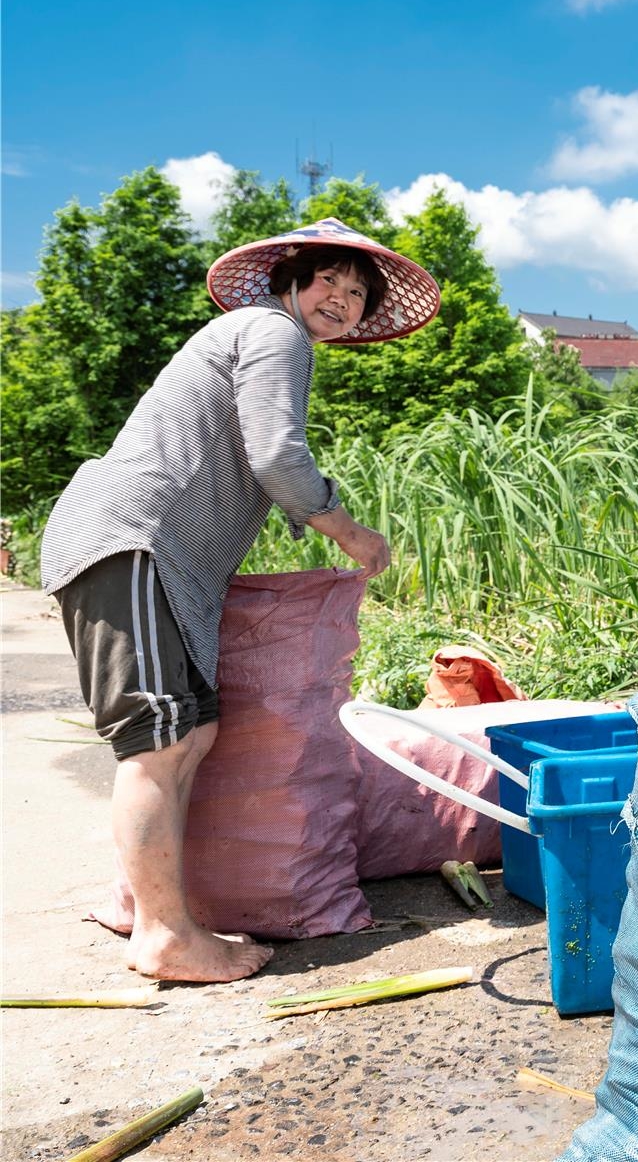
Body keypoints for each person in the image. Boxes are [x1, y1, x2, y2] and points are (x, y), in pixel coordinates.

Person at [38, 218, 440, 983]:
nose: (342, 301)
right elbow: (277, 451)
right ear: (291, 281)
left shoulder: (267, 339)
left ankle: (162, 912)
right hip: (132, 540)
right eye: (331, 281)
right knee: (156, 742)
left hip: (162, 559)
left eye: (358, 295)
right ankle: (161, 935)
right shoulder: (269, 330)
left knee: (193, 736)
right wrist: (347, 530)